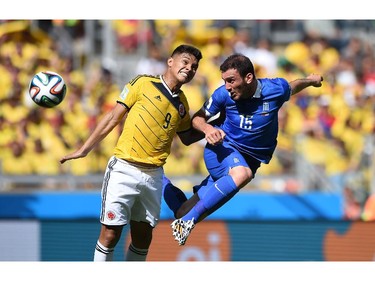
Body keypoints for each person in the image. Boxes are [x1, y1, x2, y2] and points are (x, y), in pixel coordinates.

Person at [60, 44, 203, 261]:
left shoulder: (182, 103)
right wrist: (84, 149)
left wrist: (214, 123)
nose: (189, 68)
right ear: (170, 62)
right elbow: (112, 117)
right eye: (185, 62)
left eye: (194, 67)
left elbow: (187, 137)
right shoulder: (143, 83)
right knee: (110, 234)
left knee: (142, 238)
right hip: (125, 168)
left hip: (155, 176)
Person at [163, 53, 324, 246]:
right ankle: (188, 222)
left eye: (231, 80)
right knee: (241, 174)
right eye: (225, 81)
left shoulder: (275, 89)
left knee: (183, 211)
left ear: (248, 78)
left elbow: (292, 86)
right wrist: (209, 129)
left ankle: (158, 179)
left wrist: (310, 80)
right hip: (223, 150)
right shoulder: (223, 94)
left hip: (250, 161)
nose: (228, 87)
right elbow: (198, 118)